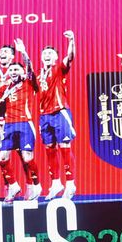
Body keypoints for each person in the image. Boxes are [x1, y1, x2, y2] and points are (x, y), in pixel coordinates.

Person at [0, 42, 42, 201]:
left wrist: (24, 53)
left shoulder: (29, 82)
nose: (13, 71)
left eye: (17, 69)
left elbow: (30, 68)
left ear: (23, 72)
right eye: (11, 70)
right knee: (1, 158)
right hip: (9, 125)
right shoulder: (4, 88)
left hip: (25, 124)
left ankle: (37, 184)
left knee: (28, 158)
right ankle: (14, 185)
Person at [38, 31, 78, 200]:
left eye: (50, 53)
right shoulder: (40, 75)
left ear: (55, 58)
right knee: (49, 149)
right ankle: (55, 183)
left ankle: (70, 183)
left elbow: (70, 56)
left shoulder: (59, 69)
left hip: (60, 112)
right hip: (44, 115)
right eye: (44, 53)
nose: (47, 55)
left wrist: (71, 40)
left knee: (64, 146)